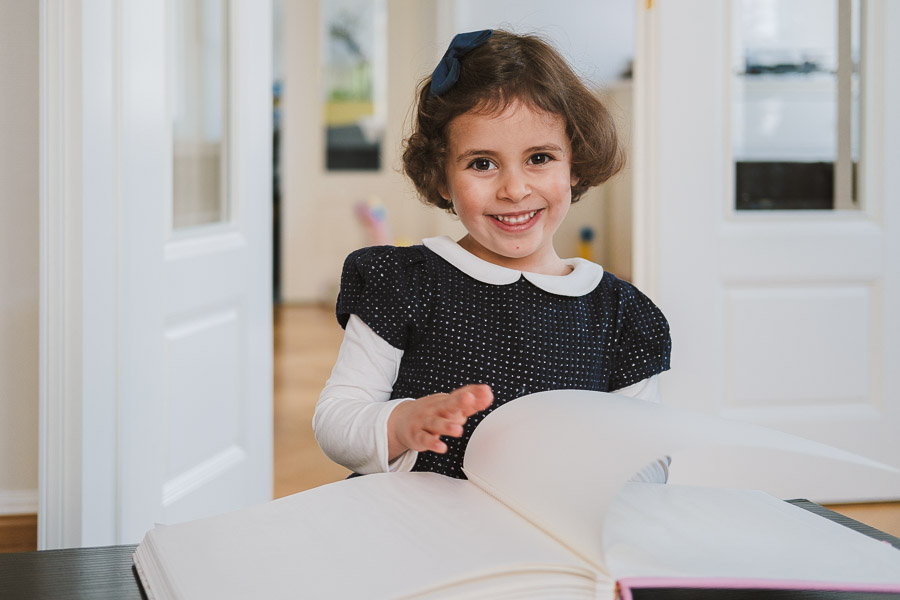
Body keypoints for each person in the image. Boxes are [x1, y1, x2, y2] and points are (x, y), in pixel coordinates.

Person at [314, 29, 671, 482]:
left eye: (539, 158)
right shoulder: (402, 284)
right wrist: (401, 423)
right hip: (412, 535)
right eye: (482, 163)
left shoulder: (621, 316)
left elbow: (648, 455)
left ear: (574, 165)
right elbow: (335, 420)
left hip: (542, 543)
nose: (515, 189)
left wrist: (618, 487)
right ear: (442, 177)